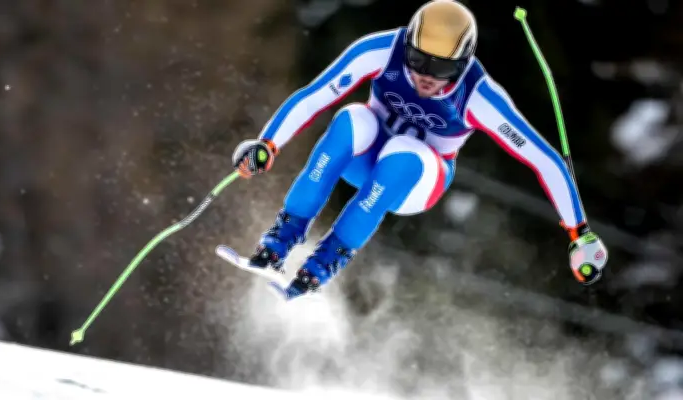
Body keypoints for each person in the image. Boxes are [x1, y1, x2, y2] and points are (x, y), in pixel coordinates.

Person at [230, 0, 608, 300]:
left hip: (416, 181)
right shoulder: (381, 50)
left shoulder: (480, 96)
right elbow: (315, 96)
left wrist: (580, 233)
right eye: (418, 60)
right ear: (408, 44)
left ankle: (324, 263)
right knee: (351, 119)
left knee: (405, 151)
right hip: (365, 156)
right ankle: (280, 240)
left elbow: (545, 160)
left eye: (441, 68)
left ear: (462, 64)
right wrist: (267, 144)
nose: (425, 75)